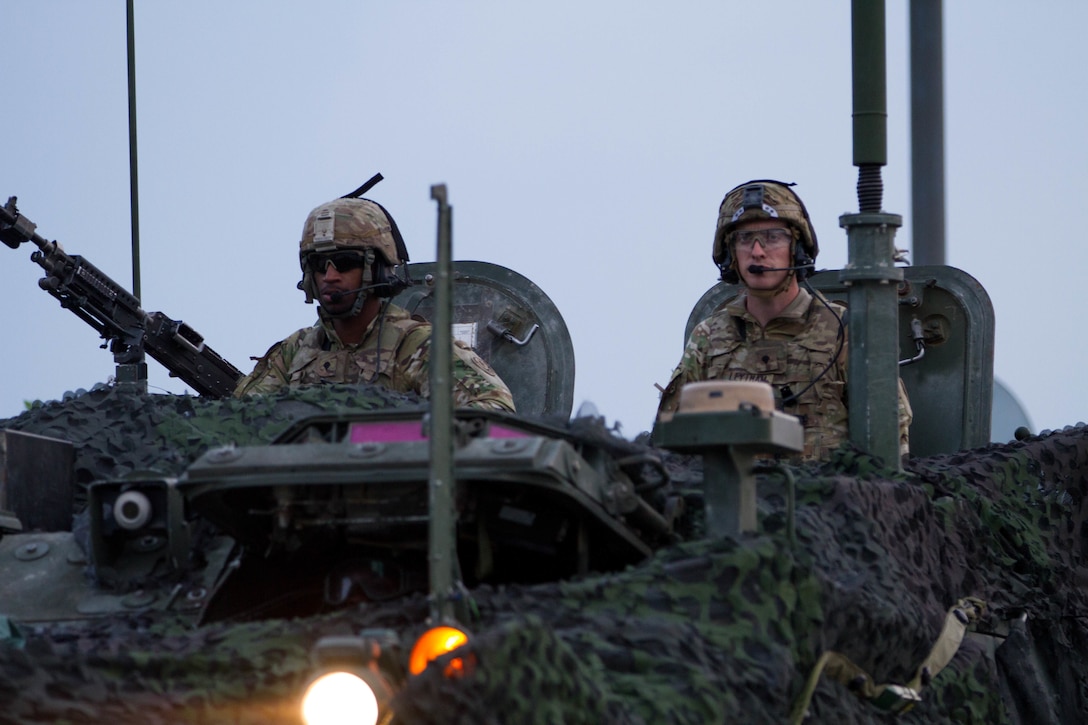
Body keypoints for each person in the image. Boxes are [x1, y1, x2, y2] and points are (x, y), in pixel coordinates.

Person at [656, 179, 911, 460]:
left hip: (827, 499)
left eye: (773, 237)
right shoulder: (708, 338)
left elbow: (888, 452)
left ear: (797, 249)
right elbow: (671, 445)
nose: (757, 251)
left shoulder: (845, 332)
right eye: (743, 239)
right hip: (730, 499)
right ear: (730, 254)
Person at [234, 195, 516, 412]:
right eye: (320, 265)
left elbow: (493, 412)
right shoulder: (294, 354)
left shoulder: (418, 349)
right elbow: (236, 423)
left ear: (378, 270)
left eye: (345, 263)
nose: (330, 276)